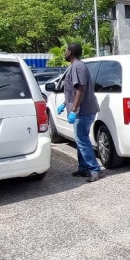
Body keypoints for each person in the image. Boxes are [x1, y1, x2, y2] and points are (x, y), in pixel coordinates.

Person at [58, 42, 102, 183]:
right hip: (81, 110)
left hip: (82, 111)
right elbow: (73, 91)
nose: (65, 53)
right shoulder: (76, 66)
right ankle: (84, 168)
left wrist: (74, 110)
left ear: (70, 52)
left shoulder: (77, 66)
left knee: (82, 140)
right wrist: (65, 103)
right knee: (80, 139)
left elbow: (80, 89)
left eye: (66, 51)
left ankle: (95, 170)